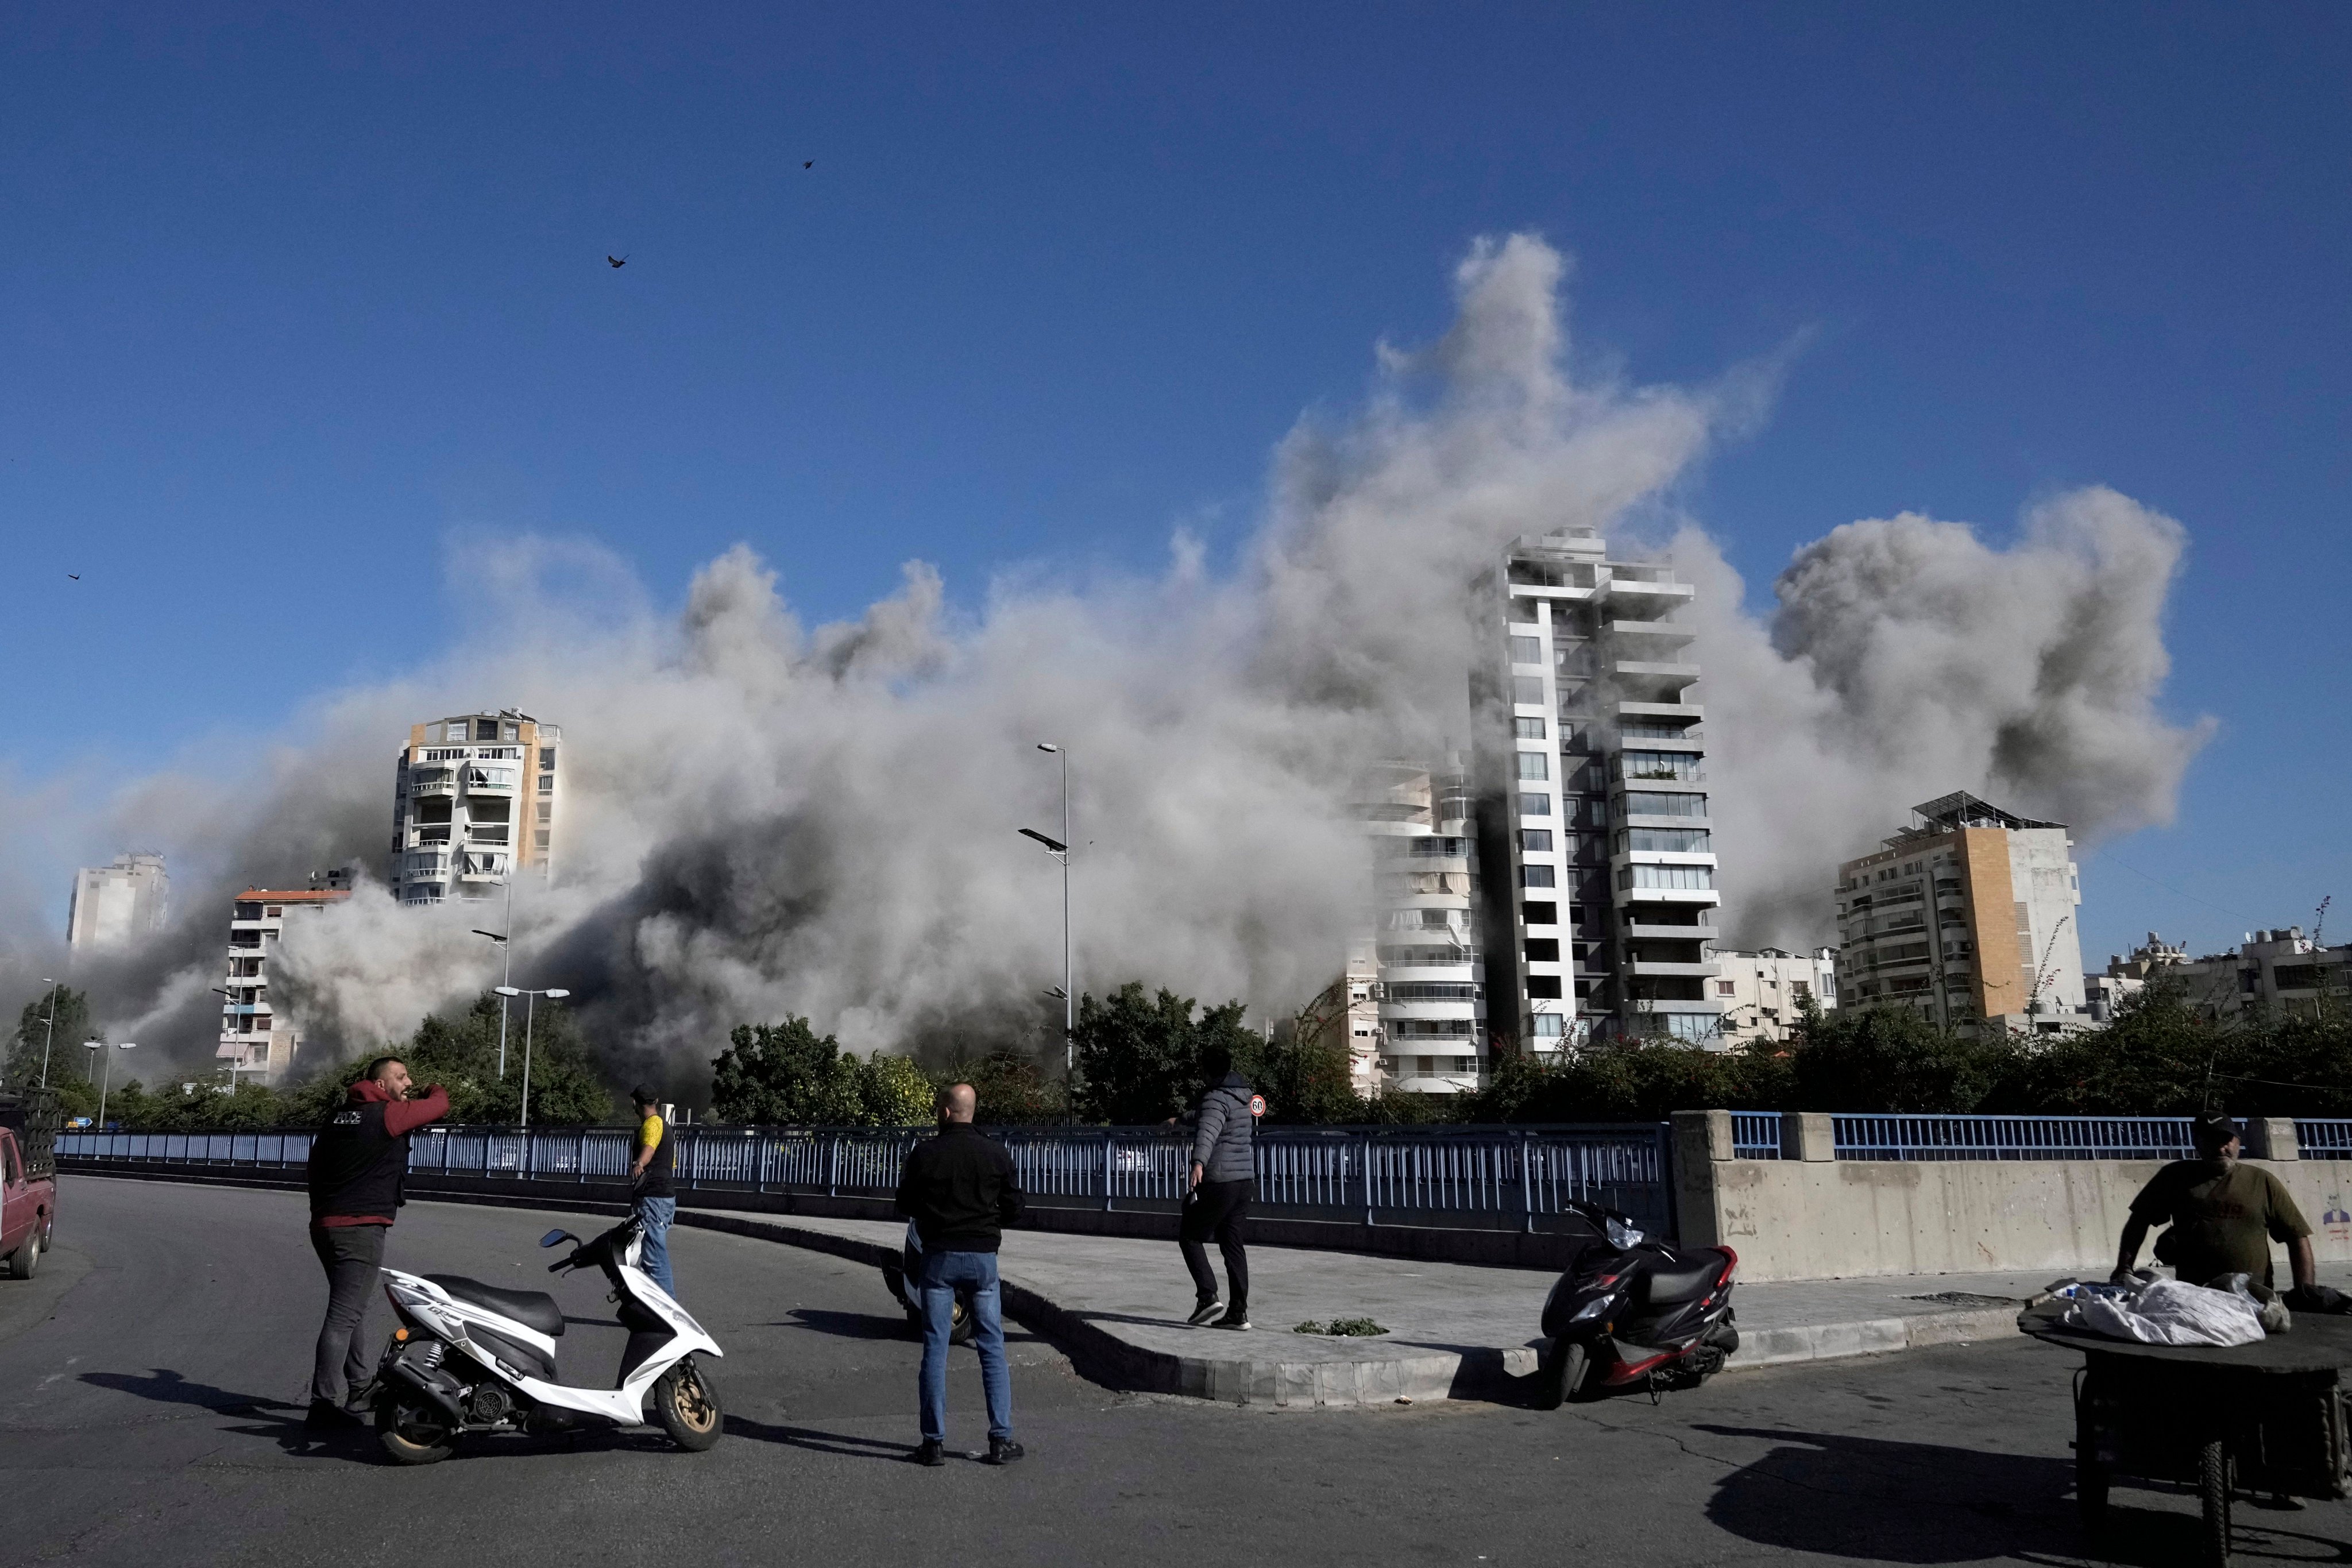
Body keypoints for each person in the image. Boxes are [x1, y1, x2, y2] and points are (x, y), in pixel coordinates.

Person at [304, 1055, 448, 1430]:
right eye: (401, 1077)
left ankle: (358, 1388)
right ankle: (322, 1406)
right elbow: (439, 1105)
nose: (409, 1082)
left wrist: (323, 1214)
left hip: (324, 1224)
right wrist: (435, 1089)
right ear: (380, 1086)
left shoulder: (337, 1118)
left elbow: (314, 1169)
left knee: (351, 1310)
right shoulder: (386, 1115)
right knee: (343, 1316)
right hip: (360, 1228)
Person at [894, 1082, 1024, 1467]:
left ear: (946, 1112)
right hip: (983, 1260)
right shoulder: (995, 1152)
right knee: (992, 1348)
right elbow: (1015, 1207)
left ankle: (932, 1443)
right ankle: (1000, 1439)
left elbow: (905, 1204)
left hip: (939, 1260)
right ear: (972, 1111)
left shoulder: (925, 1154)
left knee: (935, 1347)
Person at [2115, 1112, 2317, 1295]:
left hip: (2253, 1296)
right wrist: (2124, 1269)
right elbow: (2138, 1221)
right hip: (2196, 1296)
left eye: (2226, 1140)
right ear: (2198, 1144)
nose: (2221, 1148)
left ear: (2238, 1142)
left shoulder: (2262, 1181)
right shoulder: (2175, 1177)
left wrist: (2306, 1291)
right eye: (2210, 1141)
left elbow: (2297, 1237)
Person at [1178, 1044, 1256, 1331]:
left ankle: (1207, 1296)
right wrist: (1178, 1120)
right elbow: (1205, 1117)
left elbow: (1208, 1131)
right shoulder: (1241, 1097)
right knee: (1233, 1245)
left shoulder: (1214, 1098)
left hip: (1220, 1181)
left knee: (1189, 1234)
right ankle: (1238, 1313)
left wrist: (1198, 1163)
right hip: (1243, 1183)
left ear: (1206, 1070)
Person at [627, 1086, 677, 1296]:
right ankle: (653, 1303)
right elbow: (671, 1163)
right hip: (664, 1196)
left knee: (655, 1255)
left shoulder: (653, 1124)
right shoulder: (666, 1126)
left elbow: (649, 1148)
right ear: (656, 1101)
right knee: (649, 1253)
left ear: (635, 1104)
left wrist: (640, 1163)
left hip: (653, 1197)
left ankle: (668, 1310)